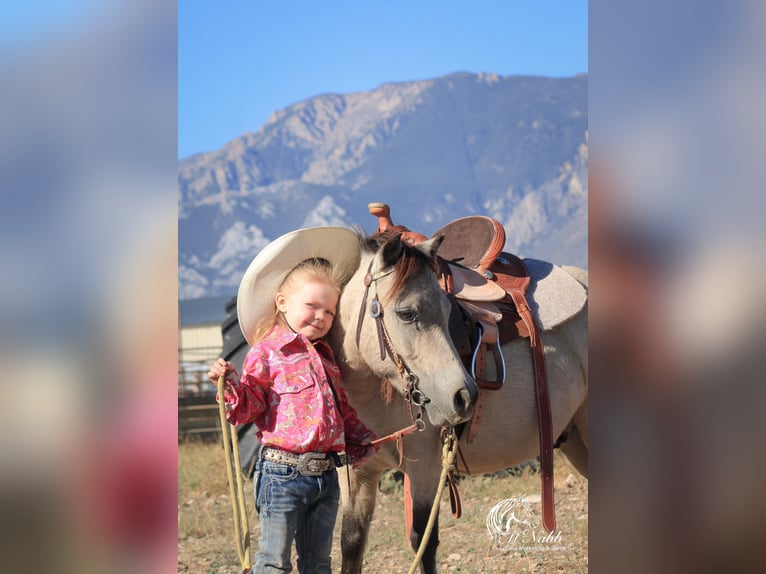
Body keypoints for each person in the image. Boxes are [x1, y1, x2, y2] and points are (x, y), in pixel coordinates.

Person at [208, 227, 377, 574]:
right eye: (312, 306)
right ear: (282, 302)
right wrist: (228, 386)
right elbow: (248, 406)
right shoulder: (266, 353)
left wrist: (364, 439)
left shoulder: (327, 357)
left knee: (318, 562)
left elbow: (341, 410)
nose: (321, 316)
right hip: (282, 475)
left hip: (326, 477)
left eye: (329, 312)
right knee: (274, 560)